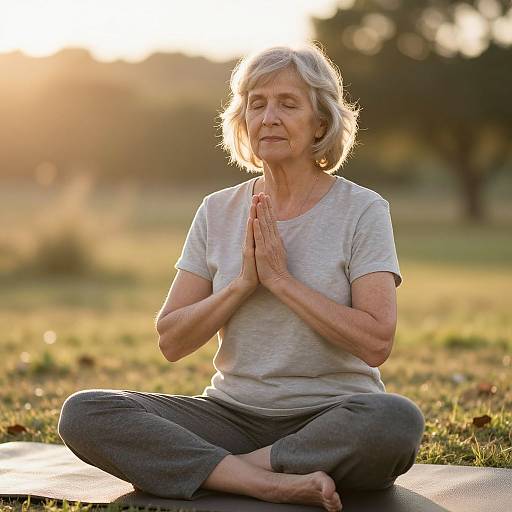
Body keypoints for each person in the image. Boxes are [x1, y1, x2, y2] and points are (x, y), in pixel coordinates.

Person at [57, 42, 425, 512]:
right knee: (86, 411)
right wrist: (241, 286)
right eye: (257, 103)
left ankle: (228, 470)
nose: (268, 116)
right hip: (231, 415)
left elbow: (376, 342)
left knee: (395, 421)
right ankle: (266, 482)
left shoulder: (362, 209)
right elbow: (172, 339)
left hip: (334, 415)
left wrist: (282, 281)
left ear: (321, 122)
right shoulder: (217, 210)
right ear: (243, 121)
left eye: (288, 104)